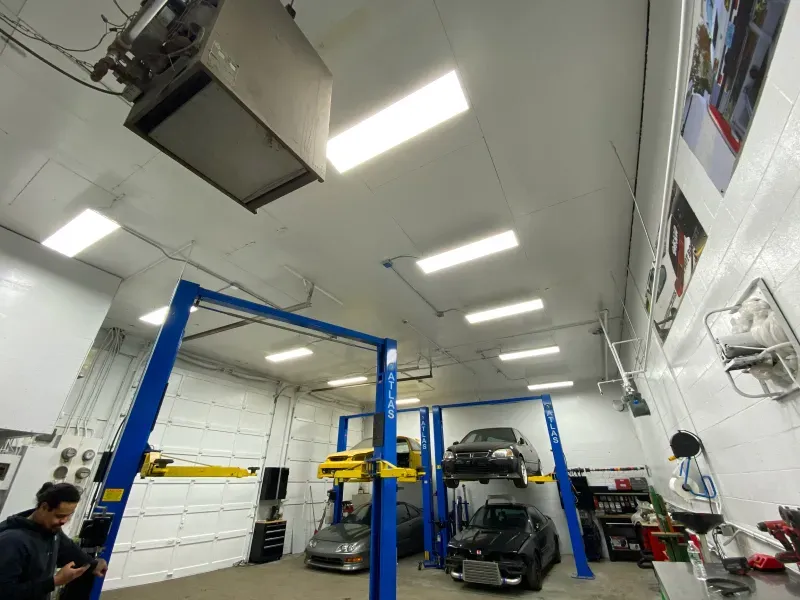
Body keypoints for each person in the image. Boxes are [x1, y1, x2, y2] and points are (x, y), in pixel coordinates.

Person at [0, 482, 108, 600]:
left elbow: (69, 550)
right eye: (60, 516)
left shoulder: (50, 530)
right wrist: (54, 581)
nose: (64, 521)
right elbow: (5, 593)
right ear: (44, 507)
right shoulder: (11, 541)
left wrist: (93, 564)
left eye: (69, 515)